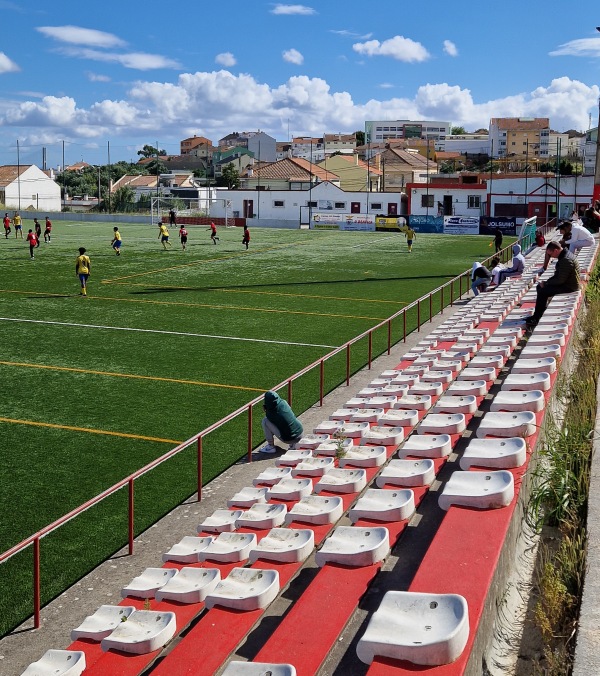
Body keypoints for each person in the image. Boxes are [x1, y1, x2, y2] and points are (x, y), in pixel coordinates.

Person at [525, 242, 579, 328]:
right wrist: (546, 282)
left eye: (550, 255)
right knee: (541, 287)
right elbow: (559, 276)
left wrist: (546, 283)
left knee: (542, 291)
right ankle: (539, 313)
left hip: (569, 286)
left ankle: (536, 318)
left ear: (556, 251)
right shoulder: (565, 255)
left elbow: (560, 280)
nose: (550, 257)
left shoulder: (565, 259)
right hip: (567, 283)